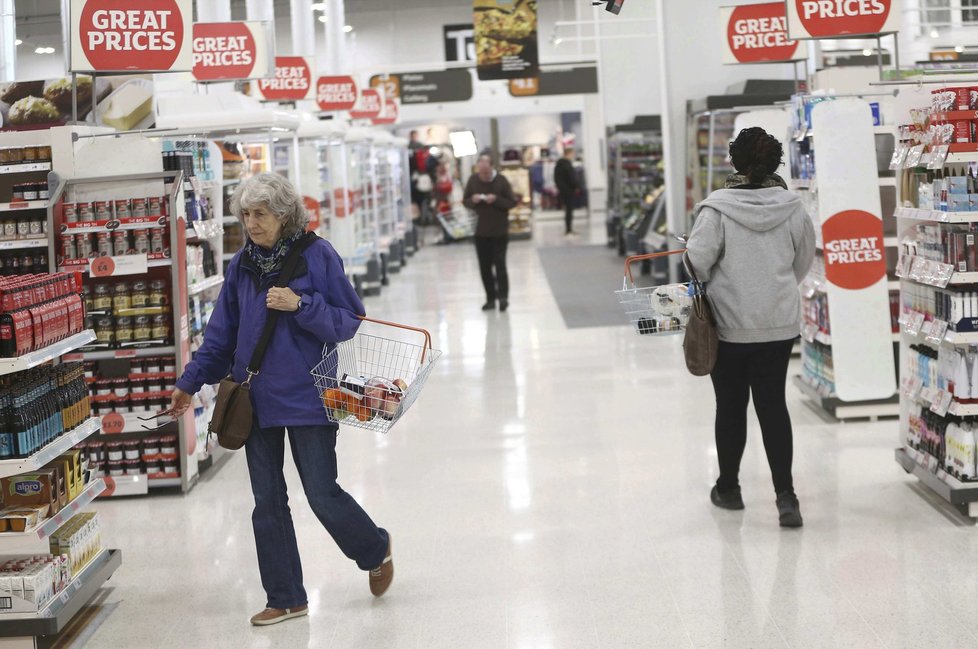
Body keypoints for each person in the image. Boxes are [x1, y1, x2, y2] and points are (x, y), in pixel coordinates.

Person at [167, 173, 393, 626]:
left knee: (321, 494)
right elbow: (221, 334)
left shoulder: (317, 255)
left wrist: (301, 306)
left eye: (261, 214)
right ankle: (286, 596)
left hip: (309, 397)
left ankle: (374, 547)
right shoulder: (241, 265)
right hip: (255, 401)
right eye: (246, 215)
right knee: (266, 501)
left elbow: (349, 320)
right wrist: (189, 382)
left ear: (285, 214)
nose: (251, 223)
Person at [685, 127, 815, 529]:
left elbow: (697, 262)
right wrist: (772, 289)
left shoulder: (716, 210)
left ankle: (729, 488)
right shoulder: (792, 208)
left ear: (735, 162)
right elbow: (803, 260)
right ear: (775, 163)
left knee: (731, 406)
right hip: (777, 324)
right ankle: (786, 498)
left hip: (728, 325)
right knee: (773, 406)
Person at [463, 152, 518, 312]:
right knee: (484, 267)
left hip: (499, 231)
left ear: (492, 167)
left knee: (500, 265)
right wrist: (472, 201)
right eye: (481, 171)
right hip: (480, 232)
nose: (484, 175)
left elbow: (512, 202)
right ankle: (490, 298)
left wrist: (497, 200)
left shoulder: (501, 181)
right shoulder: (473, 180)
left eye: (486, 171)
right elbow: (465, 201)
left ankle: (503, 298)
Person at [554, 148, 580, 236]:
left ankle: (568, 228)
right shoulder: (566, 164)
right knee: (569, 210)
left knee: (568, 209)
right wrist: (576, 186)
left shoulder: (559, 164)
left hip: (563, 190)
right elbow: (571, 177)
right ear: (568, 154)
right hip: (568, 190)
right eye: (572, 153)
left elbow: (556, 178)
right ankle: (569, 229)